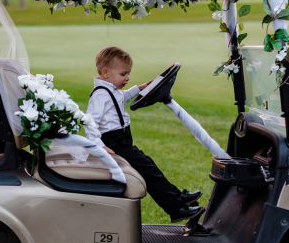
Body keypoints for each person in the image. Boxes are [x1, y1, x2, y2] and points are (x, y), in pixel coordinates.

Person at [84, 47, 205, 226]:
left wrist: (139, 89)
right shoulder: (100, 95)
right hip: (114, 143)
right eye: (123, 74)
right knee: (148, 171)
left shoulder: (111, 90)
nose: (127, 78)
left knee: (150, 167)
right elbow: (89, 121)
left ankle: (179, 197)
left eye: (128, 74)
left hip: (122, 141)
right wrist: (97, 144)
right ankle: (176, 208)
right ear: (105, 72)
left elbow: (121, 98)